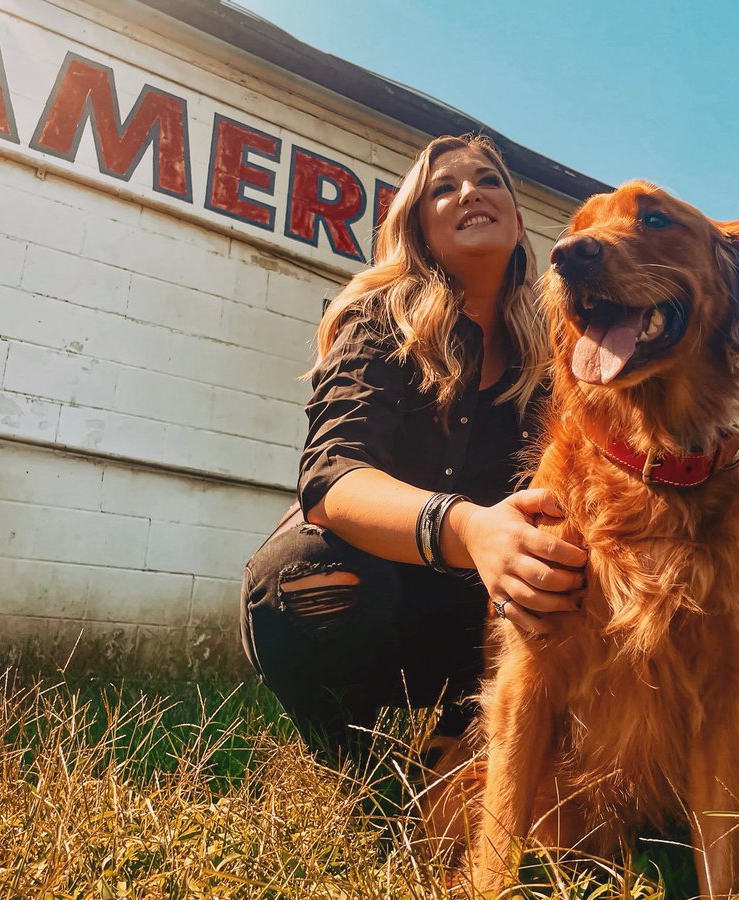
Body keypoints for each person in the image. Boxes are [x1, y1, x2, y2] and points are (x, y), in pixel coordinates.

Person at [240, 134, 586, 757]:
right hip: (388, 589)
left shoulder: (558, 348)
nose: (470, 191)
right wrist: (469, 529)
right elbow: (333, 476)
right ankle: (361, 771)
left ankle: (471, 736)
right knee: (299, 577)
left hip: (493, 606)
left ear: (515, 215)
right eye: (443, 188)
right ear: (418, 226)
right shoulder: (379, 320)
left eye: (488, 180)